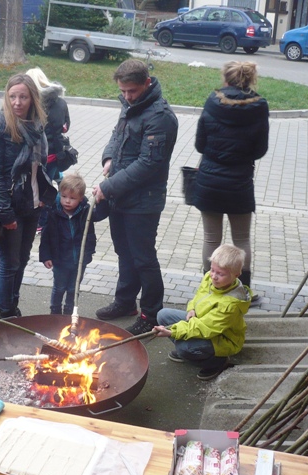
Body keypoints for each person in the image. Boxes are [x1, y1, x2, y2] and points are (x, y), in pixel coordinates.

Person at [93, 59, 179, 335]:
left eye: (132, 91)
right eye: (123, 91)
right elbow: (117, 137)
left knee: (143, 259)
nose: (127, 96)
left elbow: (148, 164)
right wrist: (108, 157)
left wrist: (108, 187)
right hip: (121, 196)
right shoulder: (131, 106)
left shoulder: (161, 117)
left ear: (147, 83)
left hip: (144, 201)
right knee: (124, 252)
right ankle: (125, 301)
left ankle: (151, 315)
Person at [192, 61, 269, 302]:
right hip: (239, 182)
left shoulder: (212, 101)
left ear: (225, 78)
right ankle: (242, 293)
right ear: (250, 79)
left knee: (211, 238)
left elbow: (200, 144)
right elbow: (260, 149)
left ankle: (209, 289)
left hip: (209, 180)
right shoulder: (259, 106)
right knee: (242, 239)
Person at [0, 73, 57, 319]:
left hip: (33, 204)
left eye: (23, 97)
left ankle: (14, 305)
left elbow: (41, 166)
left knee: (23, 259)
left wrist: (45, 196)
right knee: (9, 263)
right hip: (10, 206)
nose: (17, 102)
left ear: (32, 98)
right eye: (13, 96)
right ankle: (6, 313)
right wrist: (5, 213)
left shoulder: (37, 125)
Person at [153, 244, 251, 381]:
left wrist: (172, 332)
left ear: (236, 275)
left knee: (184, 349)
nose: (214, 276)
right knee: (163, 315)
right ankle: (190, 349)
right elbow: (199, 295)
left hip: (221, 338)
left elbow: (205, 327)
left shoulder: (231, 304)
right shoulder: (211, 279)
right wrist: (191, 308)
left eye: (220, 274)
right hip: (199, 321)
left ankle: (217, 362)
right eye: (212, 270)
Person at [39, 173, 108, 315]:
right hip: (60, 259)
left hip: (80, 260)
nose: (67, 201)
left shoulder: (85, 211)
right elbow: (46, 237)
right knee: (59, 287)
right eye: (64, 196)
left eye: (72, 198)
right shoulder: (54, 213)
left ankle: (69, 312)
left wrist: (102, 199)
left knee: (73, 288)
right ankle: (55, 312)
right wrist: (46, 256)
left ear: (81, 198)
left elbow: (100, 214)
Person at [25, 67, 71, 231]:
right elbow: (66, 126)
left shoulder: (33, 103)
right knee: (50, 182)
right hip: (55, 153)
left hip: (38, 154)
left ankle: (42, 221)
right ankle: (53, 215)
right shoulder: (61, 102)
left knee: (42, 189)